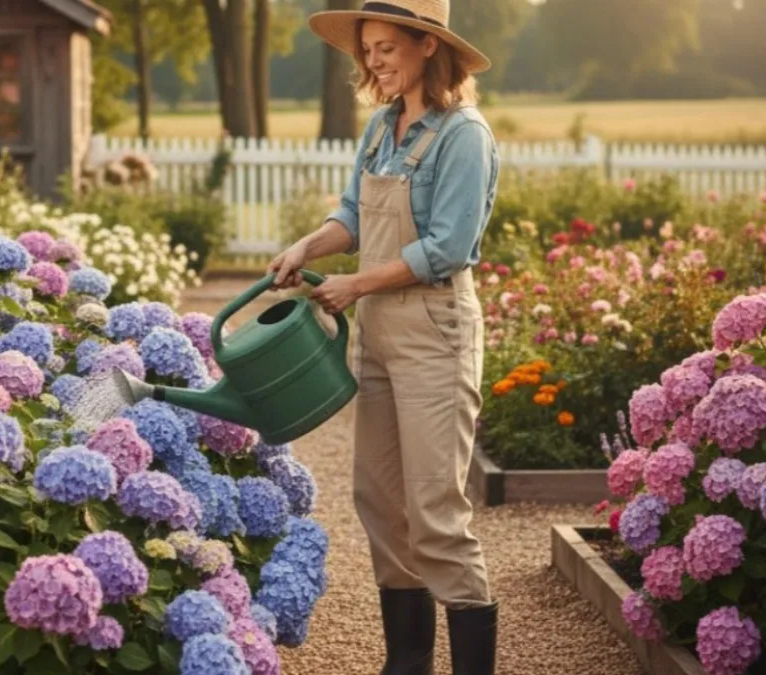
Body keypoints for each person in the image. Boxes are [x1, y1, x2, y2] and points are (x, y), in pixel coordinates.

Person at [270, 2, 500, 674]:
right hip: (378, 333)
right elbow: (350, 214)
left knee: (435, 510)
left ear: (428, 45)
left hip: (434, 331)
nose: (373, 62)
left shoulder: (464, 136)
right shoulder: (380, 129)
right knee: (378, 497)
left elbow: (449, 246)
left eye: (386, 47)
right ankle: (407, 662)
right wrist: (306, 245)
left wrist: (357, 285)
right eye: (367, 50)